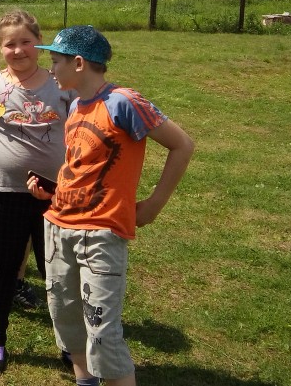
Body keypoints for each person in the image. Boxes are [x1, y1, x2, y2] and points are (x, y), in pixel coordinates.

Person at [29, 25, 194, 386]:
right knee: (67, 321)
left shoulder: (123, 102)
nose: (50, 69)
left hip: (100, 234)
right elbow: (81, 166)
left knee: (102, 331)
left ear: (78, 63)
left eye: (55, 61)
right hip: (58, 225)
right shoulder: (76, 105)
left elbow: (183, 145)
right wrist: (53, 193)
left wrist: (154, 204)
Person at [0, 11, 77, 374]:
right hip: (1, 191)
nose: (19, 50)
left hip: (57, 193)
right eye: (10, 44)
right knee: (2, 266)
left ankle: (71, 343)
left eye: (26, 42)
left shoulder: (62, 85)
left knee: (58, 270)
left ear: (39, 42)